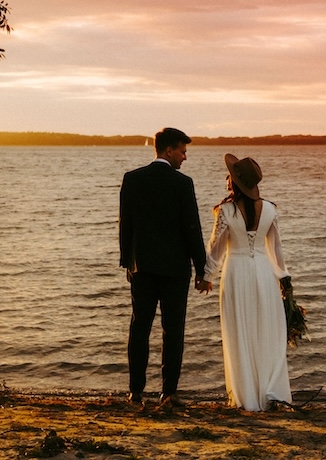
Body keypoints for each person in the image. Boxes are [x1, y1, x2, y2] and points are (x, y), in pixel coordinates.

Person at [119, 127, 211, 407]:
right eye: (182, 151)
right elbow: (191, 228)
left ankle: (136, 391)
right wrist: (201, 269)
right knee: (173, 331)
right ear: (169, 150)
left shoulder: (132, 179)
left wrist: (128, 262)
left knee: (140, 327)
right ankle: (168, 392)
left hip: (142, 267)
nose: (185, 157)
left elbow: (126, 225)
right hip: (174, 270)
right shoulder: (182, 184)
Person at [201, 154, 292, 411]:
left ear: (234, 182)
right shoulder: (271, 210)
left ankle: (247, 398)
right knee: (266, 332)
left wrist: (207, 277)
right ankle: (271, 392)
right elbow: (276, 250)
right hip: (263, 273)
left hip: (236, 272)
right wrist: (283, 279)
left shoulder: (226, 211)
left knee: (240, 330)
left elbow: (215, 248)